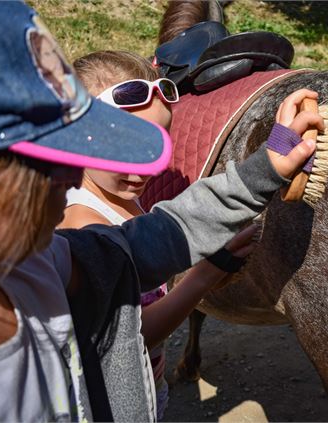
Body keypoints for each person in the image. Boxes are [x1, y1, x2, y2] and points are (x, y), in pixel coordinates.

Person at [0, 2, 323, 422]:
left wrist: (264, 169)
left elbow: (146, 240)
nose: (73, 176)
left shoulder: (43, 262)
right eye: (50, 162)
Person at [60, 50, 259, 420]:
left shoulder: (120, 196)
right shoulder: (84, 225)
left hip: (148, 385)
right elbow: (132, 337)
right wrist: (204, 276)